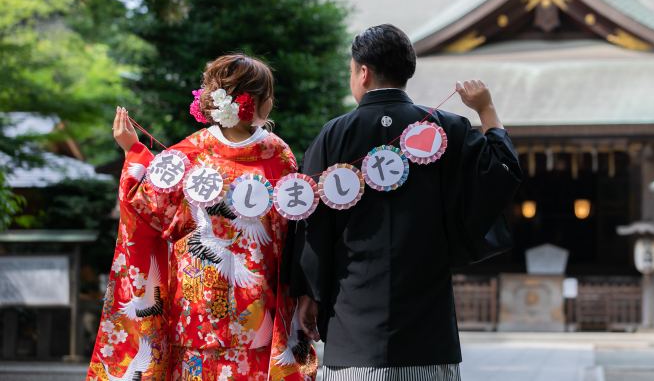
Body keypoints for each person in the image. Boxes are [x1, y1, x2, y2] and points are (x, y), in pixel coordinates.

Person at [286, 25, 521, 380]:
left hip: (353, 329)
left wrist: (307, 292)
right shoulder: (448, 128)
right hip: (427, 328)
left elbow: (311, 223)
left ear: (362, 73)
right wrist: (486, 109)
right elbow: (501, 172)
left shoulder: (334, 134)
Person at [87, 55, 317, 381]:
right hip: (257, 319)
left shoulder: (188, 153)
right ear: (259, 104)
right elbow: (294, 235)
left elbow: (142, 211)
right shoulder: (279, 157)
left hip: (195, 315)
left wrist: (133, 153)